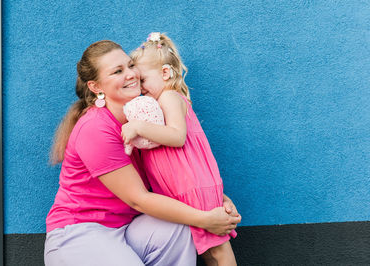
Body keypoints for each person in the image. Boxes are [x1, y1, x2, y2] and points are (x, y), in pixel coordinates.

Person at [44, 40, 241, 266]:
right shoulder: (95, 129)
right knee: (190, 220)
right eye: (118, 71)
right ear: (96, 87)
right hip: (80, 232)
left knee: (179, 227)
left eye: (130, 65)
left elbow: (175, 171)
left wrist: (216, 201)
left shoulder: (145, 119)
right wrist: (206, 219)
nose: (131, 74)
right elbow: (139, 199)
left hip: (127, 228)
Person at [121, 32, 238, 266]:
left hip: (192, 186)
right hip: (182, 189)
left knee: (218, 251)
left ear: (165, 73)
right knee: (208, 251)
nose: (140, 88)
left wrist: (138, 127)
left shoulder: (170, 98)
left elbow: (177, 136)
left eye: (143, 80)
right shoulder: (155, 104)